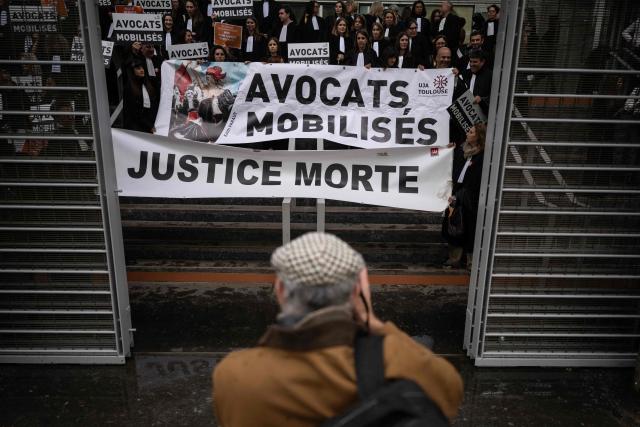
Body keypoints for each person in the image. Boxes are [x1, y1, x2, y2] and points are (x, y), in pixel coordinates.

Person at [213, 231, 464, 426]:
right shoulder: (401, 364)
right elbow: (450, 390)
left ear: (280, 290)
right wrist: (371, 320)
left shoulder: (234, 376)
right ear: (356, 291)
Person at [442, 123, 486, 269]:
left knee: (469, 228)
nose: (468, 133)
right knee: (453, 226)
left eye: (471, 132)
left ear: (478, 137)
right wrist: (448, 151)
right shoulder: (462, 151)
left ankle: (470, 260)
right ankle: (455, 258)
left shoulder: (482, 156)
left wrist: (463, 194)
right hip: (457, 194)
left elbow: (476, 179)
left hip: (470, 198)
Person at [122, 59, 159, 134]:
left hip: (149, 125)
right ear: (132, 71)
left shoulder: (148, 85)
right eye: (138, 68)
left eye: (142, 68)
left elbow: (154, 105)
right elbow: (133, 112)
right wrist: (149, 126)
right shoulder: (129, 88)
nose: (142, 70)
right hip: (136, 127)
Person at [462, 49, 492, 115]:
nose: (472, 64)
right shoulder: (466, 73)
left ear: (482, 62)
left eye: (475, 62)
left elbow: (494, 96)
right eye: (470, 61)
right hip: (466, 114)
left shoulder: (490, 76)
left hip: (483, 114)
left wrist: (482, 99)